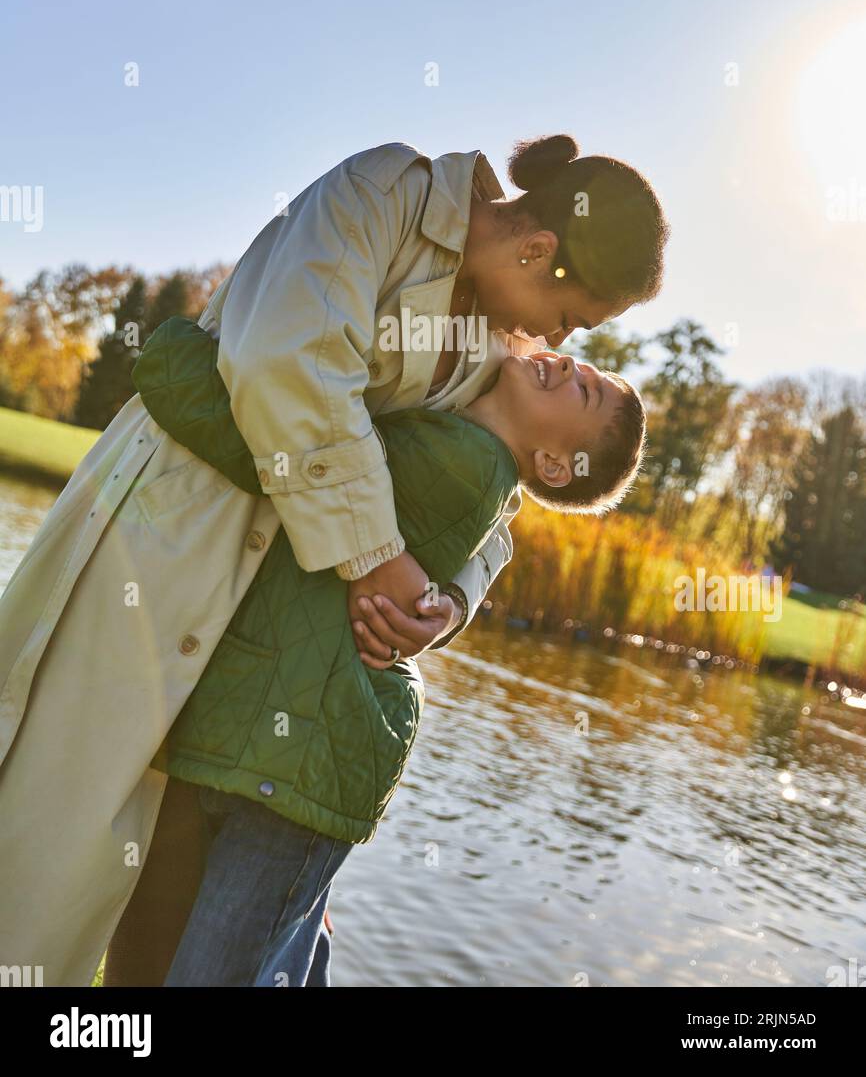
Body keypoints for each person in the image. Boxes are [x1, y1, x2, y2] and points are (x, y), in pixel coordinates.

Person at [0, 132, 669, 985]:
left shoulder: (495, 339)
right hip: (165, 540)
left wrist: (447, 598)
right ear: (538, 252)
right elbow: (291, 364)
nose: (554, 339)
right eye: (570, 319)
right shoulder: (385, 194)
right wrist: (377, 556)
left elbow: (498, 508)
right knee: (47, 842)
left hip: (264, 611)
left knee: (149, 886)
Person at [103, 314, 646, 986]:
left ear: (558, 465)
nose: (566, 364)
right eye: (580, 364)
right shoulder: (456, 427)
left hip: (299, 764)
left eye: (583, 390)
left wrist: (172, 358)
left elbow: (292, 453)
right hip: (271, 740)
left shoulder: (463, 463)